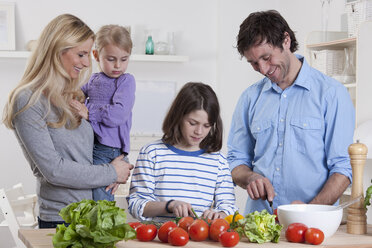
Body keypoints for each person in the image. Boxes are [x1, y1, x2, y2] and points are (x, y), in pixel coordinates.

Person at [2, 14, 133, 228]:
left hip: (91, 214)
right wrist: (110, 172)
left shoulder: (71, 95)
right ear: (56, 51)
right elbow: (54, 170)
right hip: (62, 218)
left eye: (88, 55)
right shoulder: (28, 99)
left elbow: (84, 156)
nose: (86, 62)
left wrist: (109, 173)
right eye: (81, 54)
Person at [227, 10, 355, 215]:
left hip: (313, 226)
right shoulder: (250, 98)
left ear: (286, 40)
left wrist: (309, 213)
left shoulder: (331, 94)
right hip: (259, 223)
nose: (262, 69)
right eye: (253, 63)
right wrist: (250, 177)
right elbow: (235, 161)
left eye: (266, 57)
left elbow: (342, 169)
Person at [128, 82, 237, 222]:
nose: (199, 132)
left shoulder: (219, 161)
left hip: (200, 238)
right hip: (159, 239)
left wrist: (219, 214)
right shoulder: (152, 153)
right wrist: (169, 206)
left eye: (206, 126)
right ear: (178, 116)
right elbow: (136, 204)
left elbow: (229, 207)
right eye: (192, 123)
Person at [70, 24, 136, 201]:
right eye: (111, 59)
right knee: (86, 192)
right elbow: (80, 93)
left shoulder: (126, 81)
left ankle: (102, 228)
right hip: (92, 143)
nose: (117, 66)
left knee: (100, 196)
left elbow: (118, 114)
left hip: (108, 149)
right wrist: (72, 96)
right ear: (96, 55)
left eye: (124, 59)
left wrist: (89, 112)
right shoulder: (94, 79)